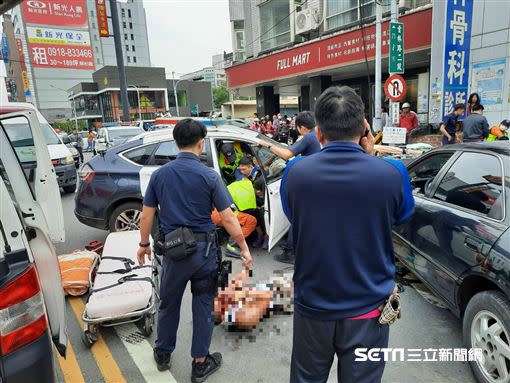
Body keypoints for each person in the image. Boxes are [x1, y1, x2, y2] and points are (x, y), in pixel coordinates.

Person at [281, 86, 414, 383]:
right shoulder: (393, 173)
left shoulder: (295, 173)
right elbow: (399, 216)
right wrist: (372, 156)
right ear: (364, 127)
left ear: (318, 133)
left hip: (313, 306)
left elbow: (295, 217)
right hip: (369, 309)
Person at [136, 118, 253, 382]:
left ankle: (163, 353)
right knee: (202, 305)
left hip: (174, 252)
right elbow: (228, 218)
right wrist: (244, 248)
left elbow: (146, 216)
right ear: (201, 143)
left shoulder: (159, 175)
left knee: (168, 303)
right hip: (204, 253)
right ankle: (200, 363)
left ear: (176, 143)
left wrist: (144, 244)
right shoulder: (209, 176)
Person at [258, 110, 321, 264]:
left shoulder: (308, 137)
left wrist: (267, 145)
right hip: (317, 181)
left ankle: (291, 252)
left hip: (310, 183)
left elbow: (287, 155)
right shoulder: (317, 135)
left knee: (298, 216)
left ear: (301, 127)